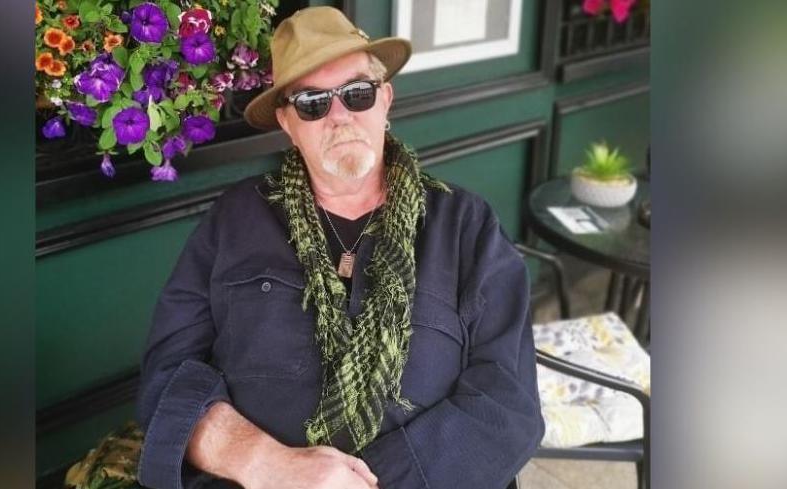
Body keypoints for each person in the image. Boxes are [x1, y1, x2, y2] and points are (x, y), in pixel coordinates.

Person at [136, 6, 544, 489]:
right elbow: (169, 372)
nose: (339, 116)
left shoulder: (464, 225)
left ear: (384, 100)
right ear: (287, 123)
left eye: (356, 93)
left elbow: (507, 400)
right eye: (312, 102)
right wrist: (266, 464)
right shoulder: (234, 219)